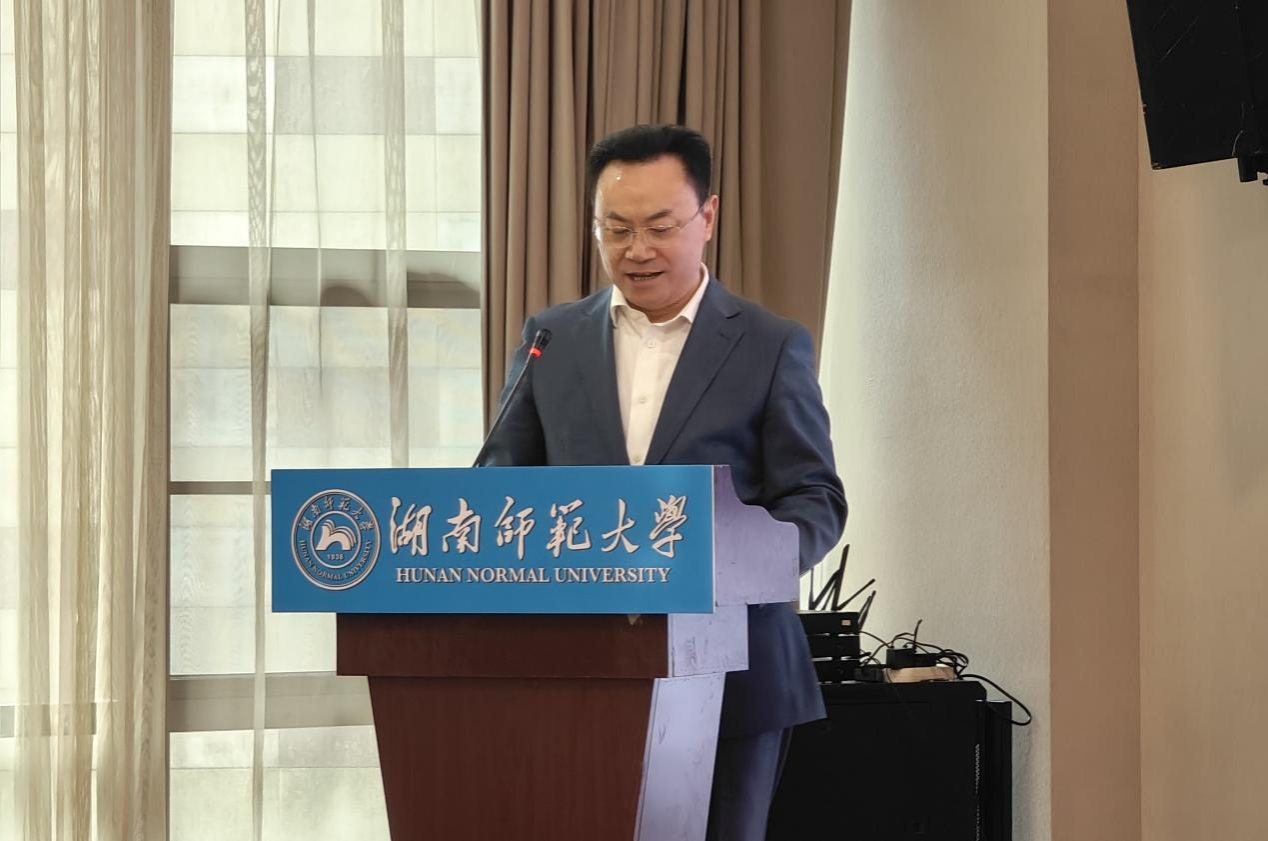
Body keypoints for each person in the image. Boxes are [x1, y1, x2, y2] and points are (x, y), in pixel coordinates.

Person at [483, 123, 847, 841]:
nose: (636, 249)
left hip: (737, 674)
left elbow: (816, 500)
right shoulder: (550, 339)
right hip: (578, 666)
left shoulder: (771, 344)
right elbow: (500, 486)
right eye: (615, 228)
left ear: (707, 216)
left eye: (658, 226)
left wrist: (740, 560)